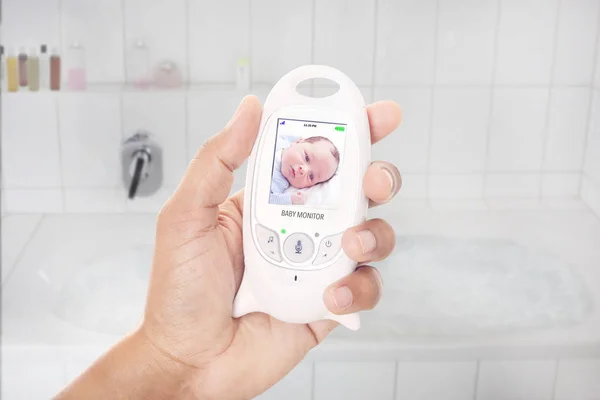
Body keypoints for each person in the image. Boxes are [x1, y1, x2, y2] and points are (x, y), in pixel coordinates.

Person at [55, 95, 403, 400]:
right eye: (307, 156)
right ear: (295, 143)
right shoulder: (275, 156)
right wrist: (173, 360)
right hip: (251, 280)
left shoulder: (303, 194)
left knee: (357, 246)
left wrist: (176, 366)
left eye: (314, 177)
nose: (303, 170)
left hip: (292, 282)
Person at [270, 134, 340, 205]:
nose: (304, 170)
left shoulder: (278, 182)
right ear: (298, 142)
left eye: (311, 176)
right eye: (307, 158)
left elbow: (267, 198)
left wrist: (291, 199)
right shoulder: (283, 140)